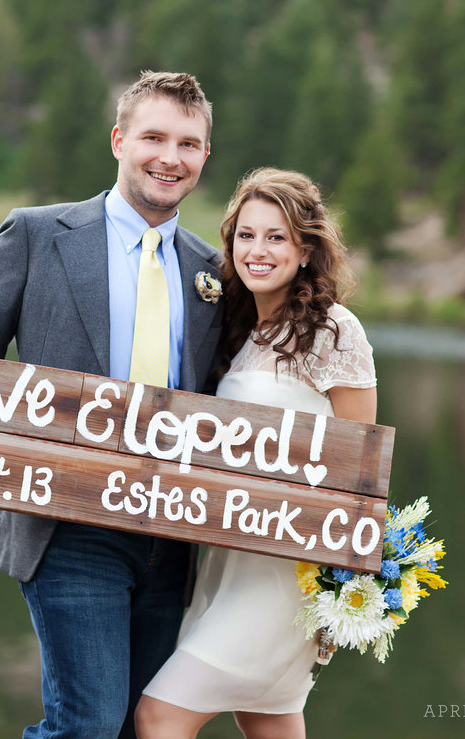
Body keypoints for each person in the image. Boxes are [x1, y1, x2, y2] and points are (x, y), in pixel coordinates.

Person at [0, 71, 223, 739]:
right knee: (89, 723)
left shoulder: (215, 272)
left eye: (188, 143)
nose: (170, 157)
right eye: (154, 137)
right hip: (66, 525)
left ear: (205, 156)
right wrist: (42, 434)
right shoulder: (37, 234)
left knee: (138, 728)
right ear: (119, 140)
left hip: (173, 538)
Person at [135, 167, 377, 739]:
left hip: (285, 576)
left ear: (306, 248)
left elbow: (359, 471)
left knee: (159, 715)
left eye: (276, 236)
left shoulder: (335, 332)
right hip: (228, 566)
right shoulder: (239, 331)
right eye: (246, 235)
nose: (258, 250)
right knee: (266, 719)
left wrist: (344, 587)